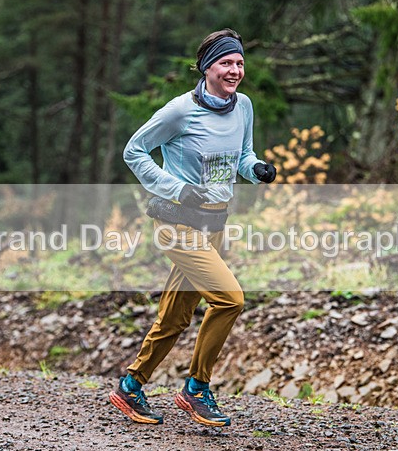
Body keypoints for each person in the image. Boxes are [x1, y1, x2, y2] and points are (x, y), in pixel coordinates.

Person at [108, 28, 276, 427]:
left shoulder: (243, 106)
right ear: (206, 68)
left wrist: (255, 169)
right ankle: (196, 389)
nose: (234, 70)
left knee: (175, 316)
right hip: (177, 224)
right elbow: (134, 151)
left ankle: (130, 386)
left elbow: (242, 154)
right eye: (225, 63)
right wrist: (178, 189)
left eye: (239, 63)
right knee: (230, 300)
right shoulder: (179, 111)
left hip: (213, 224)